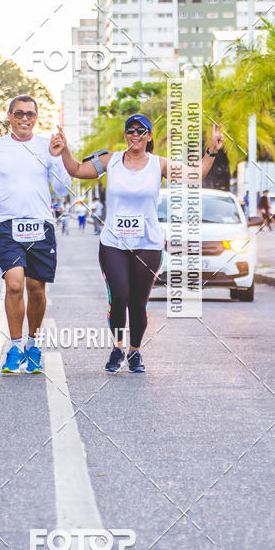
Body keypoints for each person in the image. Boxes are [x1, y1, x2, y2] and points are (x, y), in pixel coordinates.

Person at [51, 114, 224, 373]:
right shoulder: (111, 161)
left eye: (141, 130)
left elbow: (195, 174)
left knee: (138, 301)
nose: (135, 134)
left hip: (148, 243)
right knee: (119, 295)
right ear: (125, 135)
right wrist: (65, 149)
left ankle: (134, 352)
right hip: (113, 243)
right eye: (130, 130)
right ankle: (117, 347)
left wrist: (211, 149)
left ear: (149, 136)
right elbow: (76, 169)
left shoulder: (159, 164)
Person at [0, 95, 71, 374]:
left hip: (40, 225)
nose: (24, 119)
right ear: (9, 115)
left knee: (37, 290)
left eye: (30, 114)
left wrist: (59, 158)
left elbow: (62, 189)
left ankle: (33, 345)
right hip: (6, 225)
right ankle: (15, 348)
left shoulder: (46, 146)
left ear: (36, 117)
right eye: (19, 113)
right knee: (14, 284)